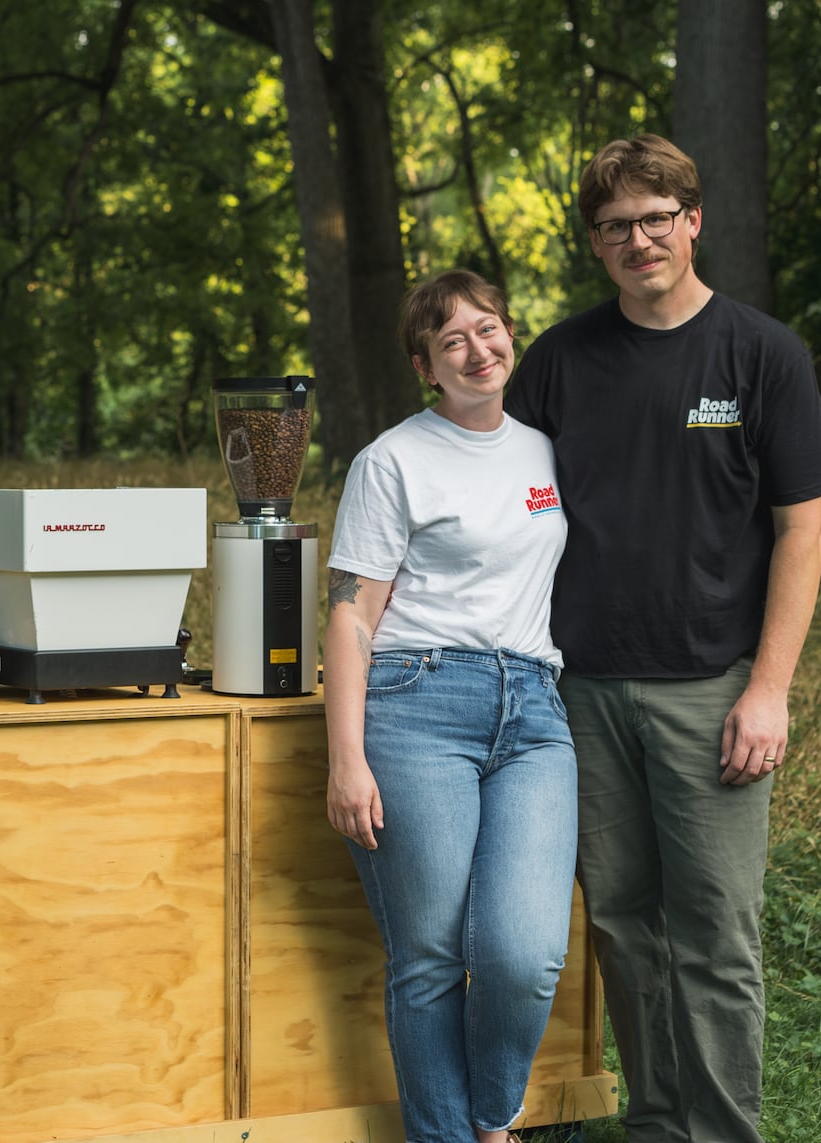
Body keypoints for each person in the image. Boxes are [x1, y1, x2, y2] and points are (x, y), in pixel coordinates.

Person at [504, 134, 821, 1143]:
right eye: (616, 226)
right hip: (580, 691)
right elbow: (495, 498)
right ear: (594, 243)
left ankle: (722, 1131)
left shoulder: (761, 354)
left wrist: (767, 689)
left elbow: (802, 529)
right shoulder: (559, 360)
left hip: (711, 689)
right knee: (621, 923)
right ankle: (655, 1121)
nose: (638, 240)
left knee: (715, 931)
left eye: (655, 219)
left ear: (693, 222)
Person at [324, 268, 575, 1143]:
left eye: (488, 327)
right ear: (425, 365)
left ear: (510, 333)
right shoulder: (392, 460)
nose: (478, 349)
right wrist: (346, 758)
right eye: (452, 340)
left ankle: (489, 1117)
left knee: (525, 953)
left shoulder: (544, 450)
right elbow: (352, 614)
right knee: (429, 954)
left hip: (535, 712)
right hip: (418, 705)